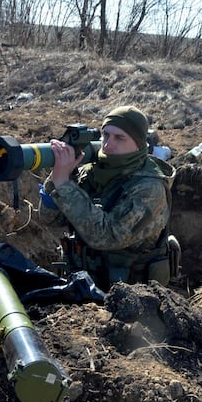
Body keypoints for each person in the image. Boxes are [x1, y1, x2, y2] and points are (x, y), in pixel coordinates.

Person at [39, 105, 177, 290]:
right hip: (84, 287)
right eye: (106, 135)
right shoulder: (92, 172)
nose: (108, 144)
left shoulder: (149, 188)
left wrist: (64, 185)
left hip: (133, 298)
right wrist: (59, 178)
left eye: (119, 138)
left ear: (138, 143)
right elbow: (51, 219)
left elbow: (107, 237)